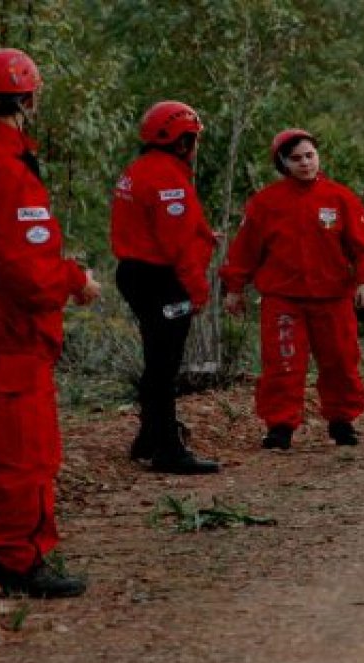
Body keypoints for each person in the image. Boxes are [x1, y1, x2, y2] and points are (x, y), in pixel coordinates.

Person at [0, 48, 101, 598]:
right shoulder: (11, 173)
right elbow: (28, 273)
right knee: (26, 453)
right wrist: (76, 280)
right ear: (27, 99)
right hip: (13, 336)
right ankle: (19, 559)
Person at [220, 128, 364, 450]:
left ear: (318, 157)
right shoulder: (266, 203)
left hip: (333, 297)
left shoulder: (340, 198)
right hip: (283, 299)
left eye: (310, 155)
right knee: (283, 364)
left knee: (340, 361)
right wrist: (234, 288)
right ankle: (280, 427)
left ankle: (342, 422)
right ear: (283, 163)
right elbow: (244, 250)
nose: (305, 163)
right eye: (296, 159)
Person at [110, 101, 220, 474]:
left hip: (135, 273)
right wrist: (197, 291)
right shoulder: (168, 178)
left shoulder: (139, 170)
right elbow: (175, 246)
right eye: (194, 140)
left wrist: (203, 236)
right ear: (181, 142)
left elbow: (160, 227)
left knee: (157, 359)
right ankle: (168, 449)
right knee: (164, 364)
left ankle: (150, 436)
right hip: (160, 280)